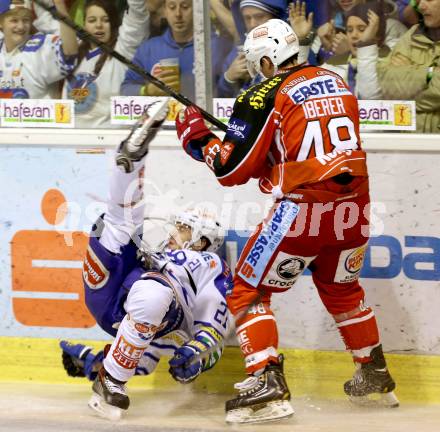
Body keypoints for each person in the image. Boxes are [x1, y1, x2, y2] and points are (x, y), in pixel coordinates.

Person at [176, 19, 398, 424]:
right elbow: (304, 142)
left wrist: (197, 140)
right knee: (341, 286)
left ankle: (266, 382)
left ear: (265, 61)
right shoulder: (335, 81)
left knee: (246, 288)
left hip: (305, 207)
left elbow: (231, 170)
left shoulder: (264, 93)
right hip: (355, 205)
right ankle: (374, 372)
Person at [61, 99, 232, 420]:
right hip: (110, 296)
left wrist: (195, 355)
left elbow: (212, 332)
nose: (174, 232)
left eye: (184, 228)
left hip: (155, 311)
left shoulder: (212, 268)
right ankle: (132, 159)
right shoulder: (162, 256)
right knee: (116, 223)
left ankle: (110, 380)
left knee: (155, 292)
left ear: (204, 240)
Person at [61, 0, 149, 128]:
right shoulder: (73, 52)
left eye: (105, 20)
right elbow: (51, 22)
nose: (99, 25)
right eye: (92, 20)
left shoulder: (122, 51)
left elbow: (137, 20)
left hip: (110, 140)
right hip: (72, 140)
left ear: (113, 24)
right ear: (84, 25)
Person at [120, 0, 232, 100]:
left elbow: (230, 93)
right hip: (163, 121)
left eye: (185, 7)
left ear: (197, 10)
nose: (178, 14)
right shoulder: (148, 49)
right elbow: (125, 89)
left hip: (204, 121)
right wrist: (147, 90)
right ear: (165, 11)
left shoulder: (218, 46)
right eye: (172, 7)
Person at [293, 0, 390, 99]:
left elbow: (370, 98)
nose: (354, 35)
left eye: (362, 29)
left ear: (378, 34)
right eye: (350, 30)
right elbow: (302, 89)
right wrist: (301, 41)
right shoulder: (333, 67)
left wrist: (366, 44)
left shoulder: (391, 63)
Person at [378, 0, 440, 133]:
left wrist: (407, 97)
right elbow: (386, 83)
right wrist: (430, 74)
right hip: (409, 143)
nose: (421, 6)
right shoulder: (413, 34)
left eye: (429, 0)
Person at [0, 0, 77, 99]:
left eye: (26, 20)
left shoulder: (41, 45)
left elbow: (69, 52)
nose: (21, 26)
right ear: (1, 23)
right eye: (14, 20)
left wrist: (60, 7)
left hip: (39, 114)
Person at [218, 0, 288, 97]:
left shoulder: (292, 49)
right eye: (247, 18)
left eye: (259, 16)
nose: (252, 24)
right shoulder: (238, 54)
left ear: (275, 18)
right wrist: (229, 78)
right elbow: (220, 101)